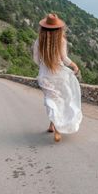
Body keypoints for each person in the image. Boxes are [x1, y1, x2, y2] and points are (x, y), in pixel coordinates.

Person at [32, 13, 82, 142]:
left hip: (45, 76)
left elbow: (36, 60)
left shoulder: (38, 41)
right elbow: (64, 59)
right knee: (62, 100)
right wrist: (74, 66)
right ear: (59, 28)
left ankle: (52, 125)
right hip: (60, 75)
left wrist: (44, 65)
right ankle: (58, 129)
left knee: (51, 100)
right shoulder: (61, 40)